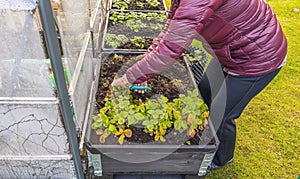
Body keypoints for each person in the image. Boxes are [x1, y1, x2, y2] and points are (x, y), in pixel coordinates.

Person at [111, 0, 287, 171]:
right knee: (204, 90)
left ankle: (221, 158)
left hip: (259, 58)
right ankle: (202, 134)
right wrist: (144, 68)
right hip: (233, 50)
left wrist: (128, 79)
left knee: (222, 113)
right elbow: (168, 31)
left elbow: (171, 48)